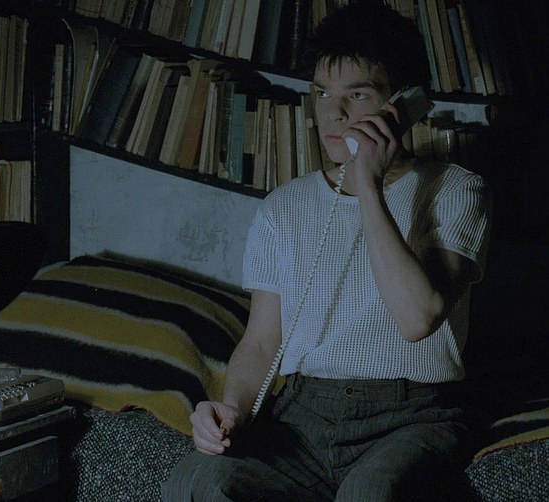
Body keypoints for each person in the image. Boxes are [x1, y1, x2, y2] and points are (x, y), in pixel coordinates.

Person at [162, 1, 492, 501]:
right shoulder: (284, 207)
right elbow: (261, 341)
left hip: (411, 417)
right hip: (303, 417)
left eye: (357, 94)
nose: (333, 114)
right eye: (321, 94)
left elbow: (417, 317)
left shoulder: (457, 190)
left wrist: (368, 185)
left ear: (403, 104)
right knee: (197, 482)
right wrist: (231, 409)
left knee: (369, 493)